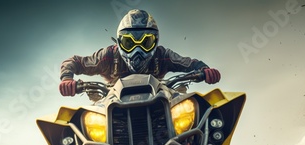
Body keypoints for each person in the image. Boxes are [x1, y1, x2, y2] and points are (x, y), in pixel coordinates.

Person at [59, 9, 221, 97]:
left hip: (159, 96)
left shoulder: (162, 55)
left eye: (145, 42)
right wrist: (67, 78)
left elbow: (190, 63)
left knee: (196, 111)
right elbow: (76, 61)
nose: (137, 50)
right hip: (111, 99)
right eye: (129, 43)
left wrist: (204, 69)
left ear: (155, 41)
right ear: (120, 41)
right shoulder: (108, 56)